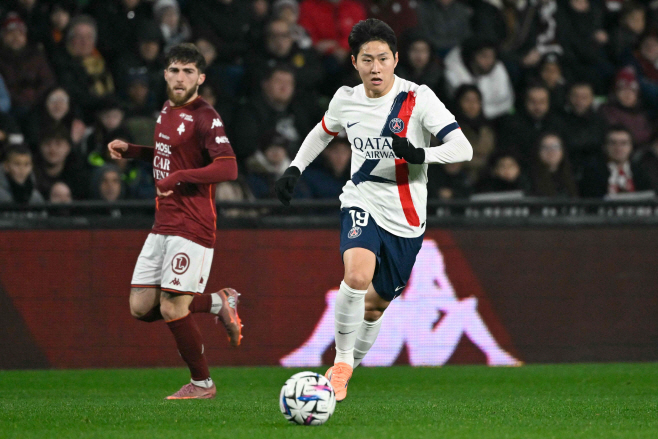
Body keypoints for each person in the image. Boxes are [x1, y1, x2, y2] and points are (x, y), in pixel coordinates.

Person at [274, 19, 473, 401]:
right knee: (356, 275)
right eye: (367, 59)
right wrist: (295, 168)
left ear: (396, 59)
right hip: (361, 198)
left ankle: (348, 367)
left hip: (406, 215)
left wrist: (420, 154)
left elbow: (462, 148)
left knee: (375, 306)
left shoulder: (418, 98)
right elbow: (322, 131)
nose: (375, 67)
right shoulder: (346, 99)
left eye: (383, 58)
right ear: (355, 62)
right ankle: (341, 363)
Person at [106, 43, 243, 400]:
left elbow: (228, 167)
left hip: (193, 223)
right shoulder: (167, 109)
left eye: (188, 71)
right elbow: (171, 156)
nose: (180, 78)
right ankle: (218, 302)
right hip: (163, 221)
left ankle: (202, 384)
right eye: (175, 70)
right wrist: (134, 152)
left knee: (171, 305)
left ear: (201, 78)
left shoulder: (206, 116)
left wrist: (180, 177)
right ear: (165, 74)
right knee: (140, 307)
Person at [580, 126, 652, 198]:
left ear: (631, 147)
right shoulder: (593, 172)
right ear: (605, 147)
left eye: (623, 143)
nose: (618, 148)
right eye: (613, 143)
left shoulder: (641, 171)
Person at [529, 133, 578, 197]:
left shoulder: (575, 177)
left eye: (555, 147)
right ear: (538, 152)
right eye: (545, 147)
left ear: (563, 151)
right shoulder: (530, 180)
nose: (551, 151)